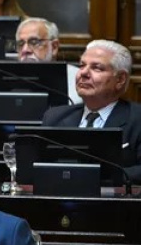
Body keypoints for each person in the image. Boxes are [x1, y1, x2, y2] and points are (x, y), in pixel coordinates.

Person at [42, 39, 141, 182]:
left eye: (97, 68)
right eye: (82, 65)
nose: (83, 73)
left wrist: (92, 176)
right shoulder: (55, 117)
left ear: (120, 79)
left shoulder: (137, 119)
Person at [0, 17, 81, 112]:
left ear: (54, 47)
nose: (25, 50)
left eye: (34, 42)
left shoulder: (78, 78)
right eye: (21, 44)